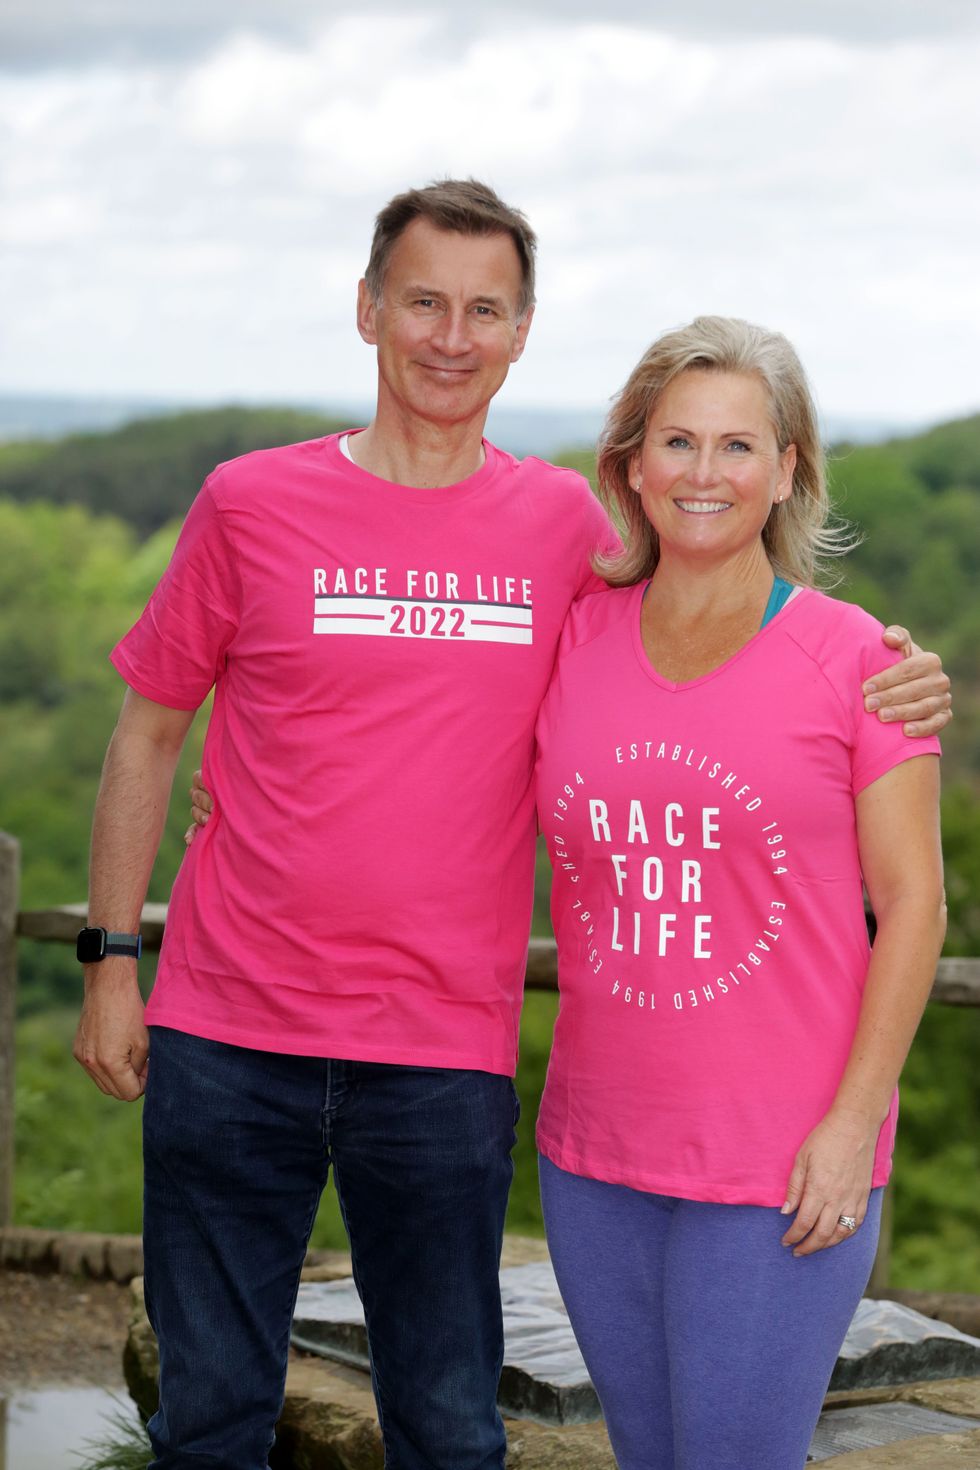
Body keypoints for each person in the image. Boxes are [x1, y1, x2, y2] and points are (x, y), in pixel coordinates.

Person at [73, 180, 949, 1470]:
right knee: (206, 1425)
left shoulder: (562, 539)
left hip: (443, 1058)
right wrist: (109, 959)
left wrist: (899, 670)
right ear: (368, 309)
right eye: (421, 300)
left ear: (521, 331)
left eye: (484, 308)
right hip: (230, 1034)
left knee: (447, 1429)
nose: (449, 333)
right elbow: (156, 728)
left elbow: (753, 664)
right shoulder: (264, 506)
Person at [533, 316, 947, 1469]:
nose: (703, 475)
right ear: (628, 465)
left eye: (737, 446)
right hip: (591, 1155)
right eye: (676, 442)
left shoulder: (861, 662)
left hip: (778, 1163)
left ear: (786, 472)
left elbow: (913, 903)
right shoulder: (572, 639)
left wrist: (853, 1121)